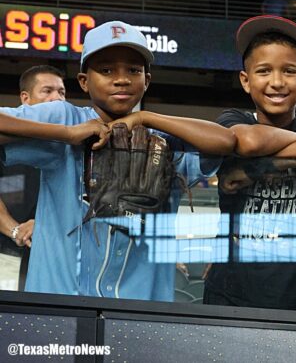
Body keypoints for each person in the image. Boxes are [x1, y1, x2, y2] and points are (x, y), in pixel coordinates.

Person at [0, 20, 236, 300]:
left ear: (146, 80)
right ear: (84, 82)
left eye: (134, 70)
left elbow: (225, 141)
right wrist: (66, 133)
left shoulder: (163, 139)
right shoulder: (64, 117)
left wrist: (145, 118)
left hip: (138, 312)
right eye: (106, 69)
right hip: (60, 305)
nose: (121, 78)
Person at [203, 15, 296, 311]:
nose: (276, 82)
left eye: (288, 71)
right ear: (245, 80)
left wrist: (257, 167)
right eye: (263, 71)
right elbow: (249, 141)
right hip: (229, 297)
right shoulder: (233, 119)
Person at [0, 65, 66, 291]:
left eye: (61, 92)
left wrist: (45, 224)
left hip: (49, 259)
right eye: (47, 91)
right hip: (5, 252)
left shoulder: (72, 142)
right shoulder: (6, 139)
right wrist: (15, 229)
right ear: (25, 98)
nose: (56, 98)